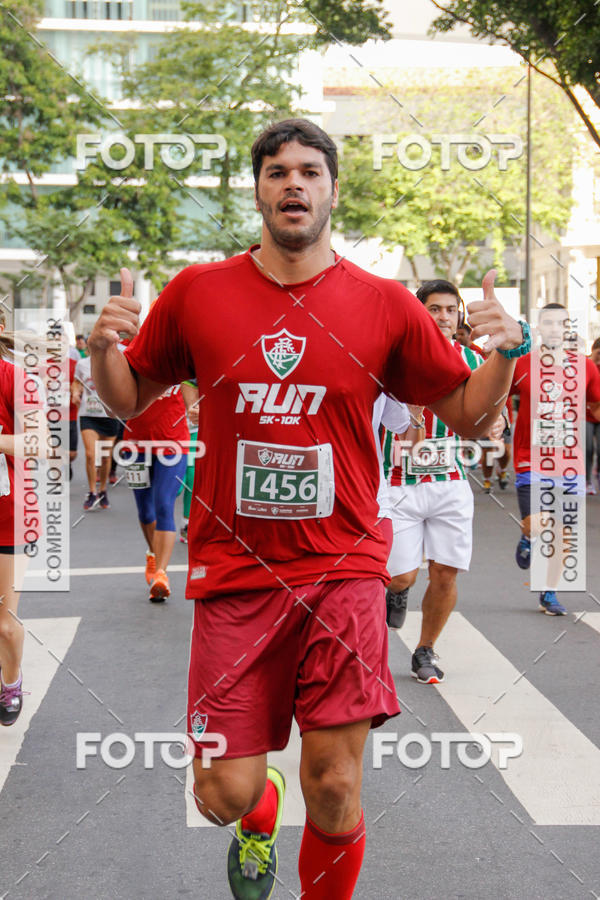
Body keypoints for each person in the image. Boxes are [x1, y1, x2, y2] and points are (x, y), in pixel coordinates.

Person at [88, 118, 529, 900]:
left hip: (344, 568)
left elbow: (469, 417)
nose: (293, 183)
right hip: (235, 576)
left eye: (310, 172)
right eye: (277, 171)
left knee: (334, 784)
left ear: (332, 189)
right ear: (257, 189)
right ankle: (260, 812)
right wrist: (103, 353)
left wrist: (505, 355)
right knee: (220, 795)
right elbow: (130, 399)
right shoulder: (199, 292)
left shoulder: (385, 304)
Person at [381, 279, 503, 684]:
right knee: (401, 576)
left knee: (445, 573)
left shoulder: (471, 358)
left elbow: (486, 414)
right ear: (419, 313)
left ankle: (425, 650)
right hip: (398, 482)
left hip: (450, 481)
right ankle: (396, 593)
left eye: (451, 310)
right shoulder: (392, 359)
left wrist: (495, 421)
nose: (445, 317)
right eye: (435, 309)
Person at [511, 303, 600, 614]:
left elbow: (596, 404)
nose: (553, 328)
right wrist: (497, 420)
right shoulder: (522, 364)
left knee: (563, 535)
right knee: (537, 524)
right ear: (539, 328)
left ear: (567, 328)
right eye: (546, 323)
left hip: (571, 464)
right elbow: (496, 396)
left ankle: (548, 593)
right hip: (530, 459)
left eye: (559, 323)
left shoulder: (586, 367)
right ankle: (527, 538)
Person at [0, 312, 42, 725]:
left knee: (4, 626)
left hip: (8, 515)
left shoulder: (16, 379)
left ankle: (10, 683)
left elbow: (39, 442)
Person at [123, 385, 189, 601]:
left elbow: (198, 390)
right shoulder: (129, 358)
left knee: (164, 504)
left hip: (174, 444)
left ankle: (161, 574)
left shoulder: (180, 361)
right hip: (135, 446)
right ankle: (153, 553)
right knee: (145, 512)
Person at [72, 354, 119, 509]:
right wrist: (75, 393)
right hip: (88, 415)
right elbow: (77, 382)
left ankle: (103, 490)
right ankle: (92, 492)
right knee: (91, 454)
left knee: (105, 458)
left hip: (109, 415)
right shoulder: (82, 364)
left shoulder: (116, 361)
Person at [179, 378, 200, 544]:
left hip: (193, 431)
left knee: (191, 476)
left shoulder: (193, 369)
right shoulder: (159, 367)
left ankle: (187, 523)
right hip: (168, 433)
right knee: (177, 486)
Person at [585, 336, 600, 493]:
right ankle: (587, 480)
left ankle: (598, 472)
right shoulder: (585, 365)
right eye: (598, 353)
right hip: (586, 415)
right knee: (588, 447)